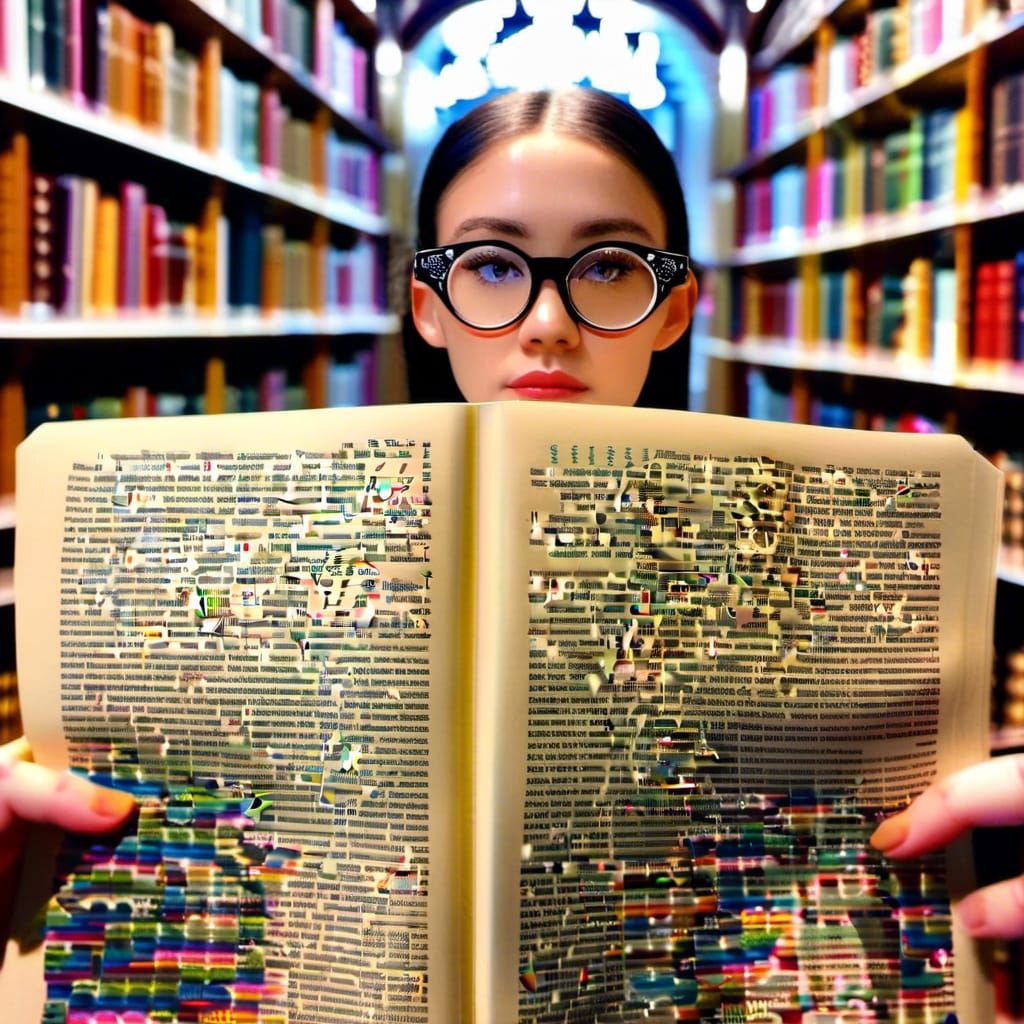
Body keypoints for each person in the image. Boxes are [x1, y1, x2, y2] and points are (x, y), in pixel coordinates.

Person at [1, 87, 1022, 953]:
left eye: (608, 267)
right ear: (427, 305)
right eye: (492, 265)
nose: (547, 324)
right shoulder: (261, 570)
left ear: (673, 309)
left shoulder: (815, 573)